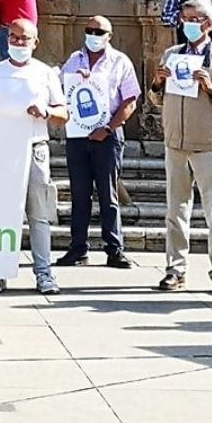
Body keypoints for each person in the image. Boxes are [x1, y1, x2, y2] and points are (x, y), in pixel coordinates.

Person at [149, 0, 212, 295]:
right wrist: (157, 83)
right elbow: (157, 99)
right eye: (185, 18)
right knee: (176, 211)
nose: (188, 23)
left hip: (209, 145)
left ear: (209, 23)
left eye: (195, 18)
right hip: (176, 143)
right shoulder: (172, 55)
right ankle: (175, 271)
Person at [0, 19, 66, 295]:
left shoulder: (45, 73)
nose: (18, 43)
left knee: (38, 214)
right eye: (13, 37)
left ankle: (44, 274)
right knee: (1, 213)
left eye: (24, 39)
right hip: (2, 150)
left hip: (35, 146)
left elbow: (64, 113)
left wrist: (46, 112)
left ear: (35, 43)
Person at [55, 16, 138, 269]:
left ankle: (114, 248)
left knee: (108, 194)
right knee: (79, 193)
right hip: (78, 137)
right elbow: (59, 90)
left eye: (98, 31)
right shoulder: (73, 60)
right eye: (89, 30)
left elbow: (130, 101)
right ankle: (78, 248)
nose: (93, 34)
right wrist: (77, 79)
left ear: (109, 35)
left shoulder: (120, 62)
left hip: (108, 137)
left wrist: (109, 128)